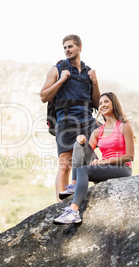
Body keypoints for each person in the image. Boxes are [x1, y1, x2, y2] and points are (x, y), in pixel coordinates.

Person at [54, 92, 135, 224]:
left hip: (122, 169)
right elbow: (84, 152)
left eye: (106, 102)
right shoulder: (98, 131)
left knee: (83, 171)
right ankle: (74, 186)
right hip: (104, 169)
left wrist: (105, 161)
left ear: (114, 103)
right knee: (78, 144)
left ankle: (73, 211)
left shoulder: (124, 127)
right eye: (100, 103)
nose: (102, 105)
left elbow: (130, 156)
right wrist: (81, 140)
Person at [40, 34, 101, 202]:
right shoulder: (57, 69)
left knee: (108, 135)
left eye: (70, 46)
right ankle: (61, 204)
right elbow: (44, 96)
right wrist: (61, 80)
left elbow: (97, 102)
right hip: (66, 120)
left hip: (87, 119)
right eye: (65, 47)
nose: (67, 50)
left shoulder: (88, 72)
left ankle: (113, 178)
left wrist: (95, 82)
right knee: (65, 164)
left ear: (80, 47)